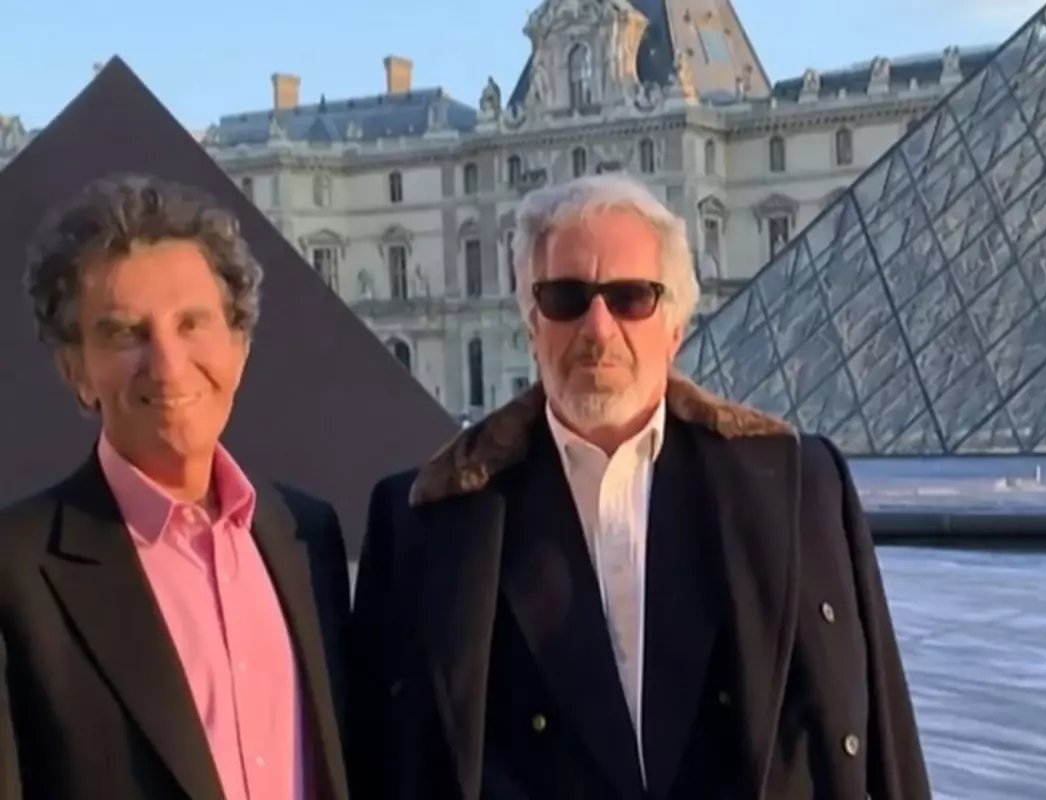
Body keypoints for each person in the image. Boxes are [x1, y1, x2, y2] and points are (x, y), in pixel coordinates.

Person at [350, 174, 930, 799]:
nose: (598, 329)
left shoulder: (804, 487)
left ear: (675, 326)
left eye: (631, 297)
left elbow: (885, 743)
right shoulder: (419, 521)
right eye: (566, 297)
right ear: (531, 324)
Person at [0, 175, 351, 800]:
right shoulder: (15, 572)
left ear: (239, 346)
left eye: (192, 324)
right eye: (125, 333)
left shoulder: (306, 534)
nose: (167, 365)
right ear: (75, 369)